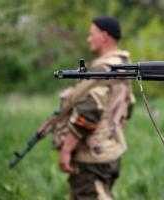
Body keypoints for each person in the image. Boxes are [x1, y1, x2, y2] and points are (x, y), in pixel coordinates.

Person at [52, 16, 134, 200]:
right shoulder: (123, 65)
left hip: (92, 154)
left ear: (104, 36)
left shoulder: (103, 69)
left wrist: (66, 149)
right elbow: (128, 108)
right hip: (110, 148)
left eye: (91, 34)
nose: (89, 39)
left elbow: (89, 112)